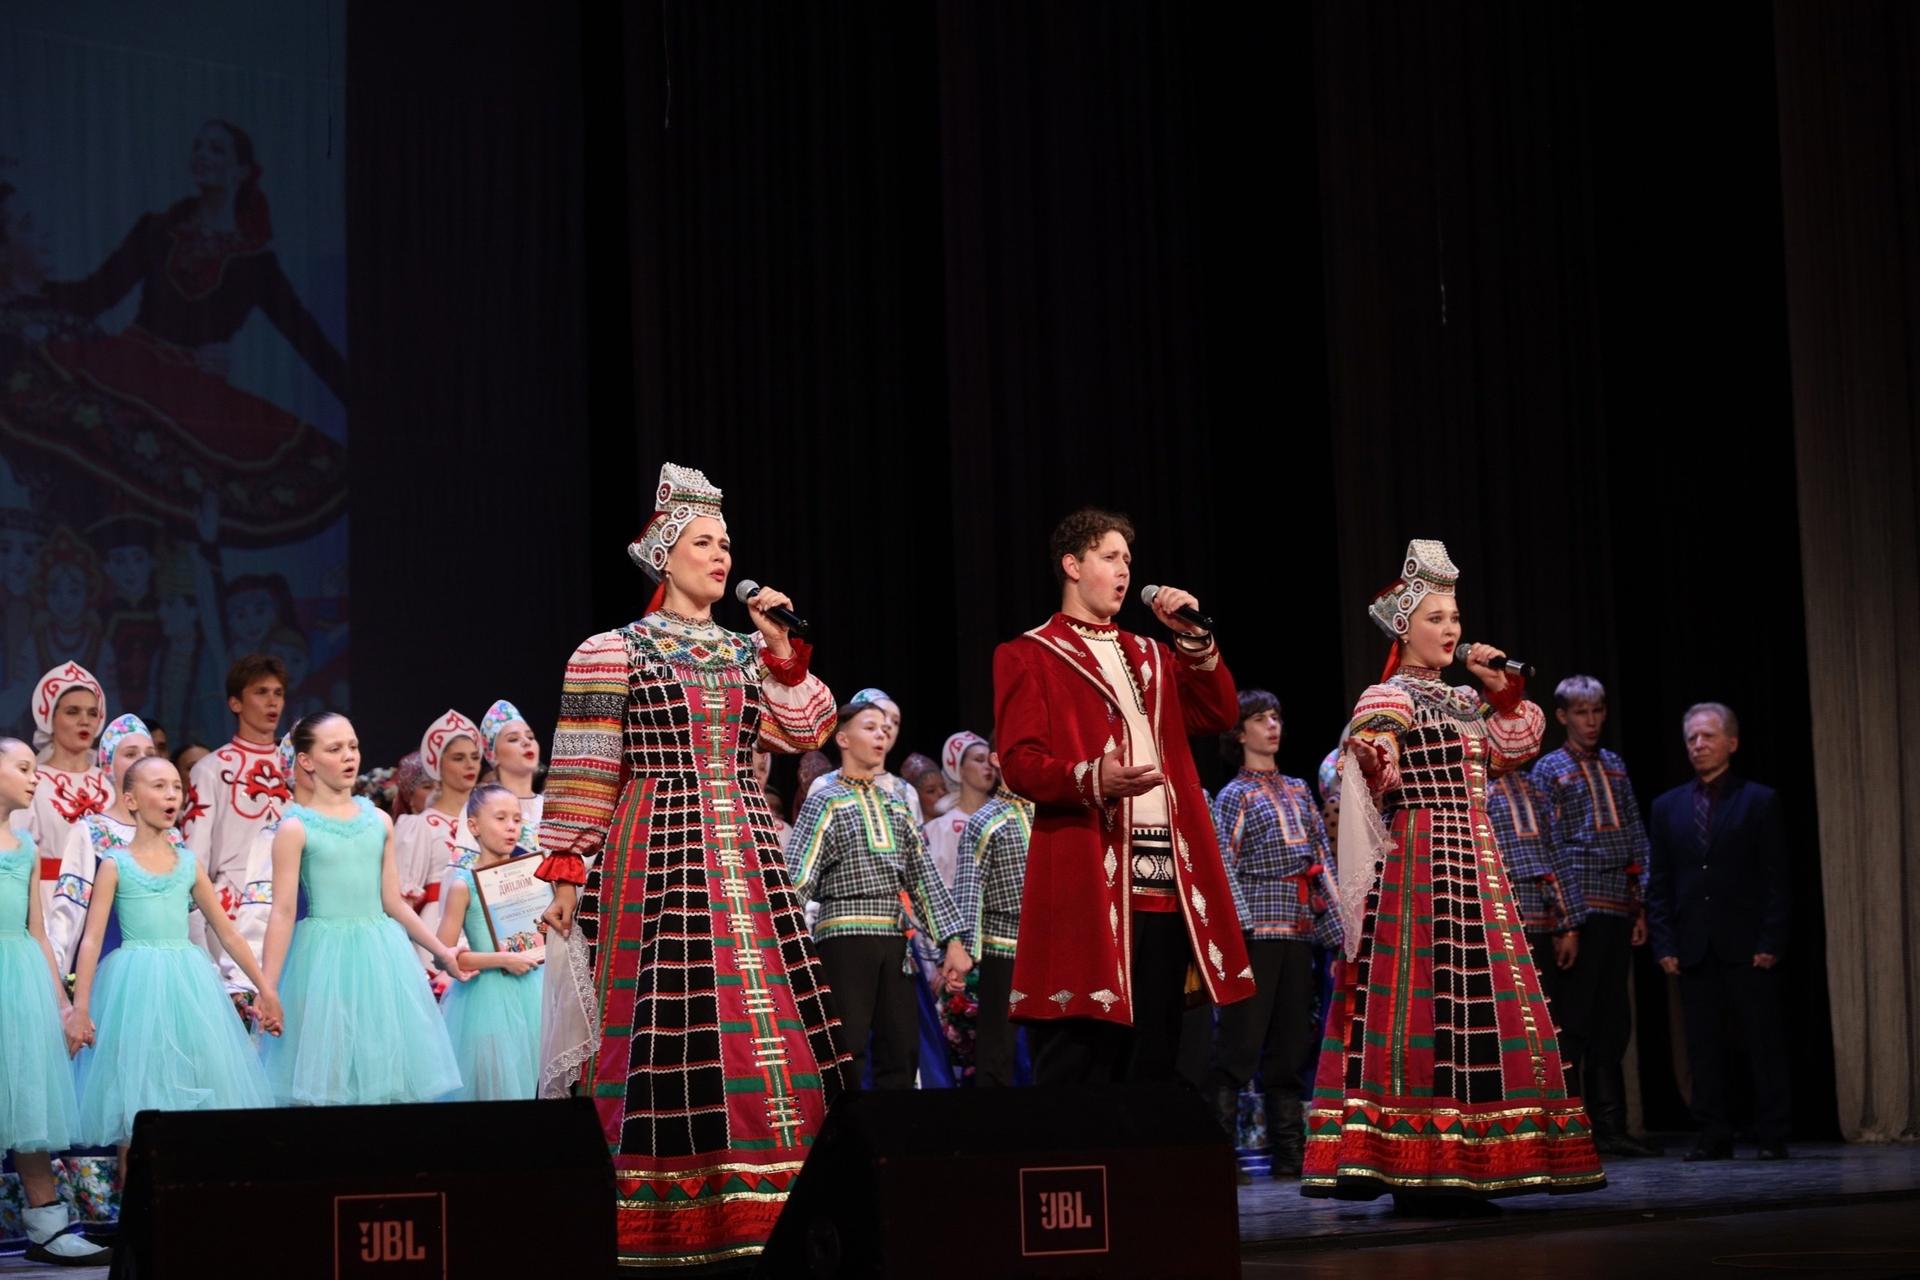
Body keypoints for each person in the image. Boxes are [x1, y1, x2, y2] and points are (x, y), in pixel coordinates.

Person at [533, 463, 851, 1269]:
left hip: (744, 841)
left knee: (768, 1010)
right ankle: (678, 1208)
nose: (721, 555)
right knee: (673, 1014)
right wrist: (569, 873)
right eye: (705, 542)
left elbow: (811, 725)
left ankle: (783, 1197)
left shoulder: (748, 652)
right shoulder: (613, 652)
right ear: (664, 555)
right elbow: (584, 769)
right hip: (658, 845)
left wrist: (781, 645)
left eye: (726, 543)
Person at [1303, 539, 1604, 1207]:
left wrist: (1504, 688)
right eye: (1436, 617)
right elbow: (1369, 754)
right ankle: (1416, 1162)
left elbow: (1517, 745)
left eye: (1455, 618)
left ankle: (1473, 1161)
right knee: (1426, 1004)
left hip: (1476, 859)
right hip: (1419, 864)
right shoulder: (1390, 694)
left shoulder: (1467, 701)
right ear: (1406, 626)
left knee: (1483, 1009)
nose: (1451, 630)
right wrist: (1376, 753)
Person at [992, 508, 1253, 1086]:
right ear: (1071, 564)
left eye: (1128, 561)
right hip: (1090, 872)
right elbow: (1020, 764)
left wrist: (1195, 641)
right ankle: (1074, 1173)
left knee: (1153, 1058)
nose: (1124, 571)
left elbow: (1218, 712)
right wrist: (1092, 779)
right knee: (1082, 1052)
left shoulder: (1153, 654)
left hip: (1164, 883)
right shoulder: (1029, 653)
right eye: (1110, 557)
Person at [66, 755, 281, 1153]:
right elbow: (91, 939)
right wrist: (80, 1008)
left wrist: (265, 989)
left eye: (176, 787)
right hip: (135, 988)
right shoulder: (115, 865)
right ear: (130, 800)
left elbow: (229, 933)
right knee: (138, 1100)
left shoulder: (188, 865)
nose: (171, 795)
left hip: (188, 986)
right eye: (158, 786)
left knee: (193, 1093)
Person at [258, 713, 468, 1106]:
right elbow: (282, 912)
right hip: (323, 959)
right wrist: (268, 987)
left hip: (379, 956)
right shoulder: (295, 828)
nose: (348, 756)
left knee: (384, 1072)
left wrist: (441, 951)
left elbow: (392, 901)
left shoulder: (378, 821)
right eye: (334, 749)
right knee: (332, 1074)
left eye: (352, 746)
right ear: (306, 761)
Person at [789, 698, 972, 1090]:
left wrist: (952, 940)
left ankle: (893, 1145)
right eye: (870, 726)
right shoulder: (826, 799)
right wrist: (784, 942)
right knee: (848, 1048)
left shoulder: (895, 803)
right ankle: (843, 1141)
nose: (881, 733)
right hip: (844, 938)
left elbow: (924, 877)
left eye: (885, 728)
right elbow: (798, 876)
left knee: (902, 1050)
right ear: (843, 738)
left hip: (894, 940)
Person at [1647, 702, 1791, 1161]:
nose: (1698, 745)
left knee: (1760, 1042)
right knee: (1702, 1047)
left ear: (1731, 742)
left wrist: (1770, 941)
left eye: (1707, 736)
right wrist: (1664, 942)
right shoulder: (1667, 807)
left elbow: (1777, 880)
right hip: (1694, 945)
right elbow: (1661, 882)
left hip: (1747, 944)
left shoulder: (1759, 801)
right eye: (1691, 738)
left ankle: (1771, 1132)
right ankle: (1714, 1133)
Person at [1208, 690, 1342, 1178]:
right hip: (1256, 930)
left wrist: (1337, 932)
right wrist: (1237, 927)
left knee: (1291, 1047)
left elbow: (1321, 861)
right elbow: (1224, 863)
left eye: (1277, 716)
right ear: (1240, 733)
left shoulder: (1300, 788)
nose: (1272, 725)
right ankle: (1218, 1156)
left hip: (1298, 927)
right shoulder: (1234, 795)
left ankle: (1290, 1155)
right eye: (1261, 718)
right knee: (1241, 1045)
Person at [1531, 674, 1658, 1157]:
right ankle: (1572, 1126)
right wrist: (1566, 918)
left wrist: (1639, 899)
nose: (1591, 721)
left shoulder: (1616, 767)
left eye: (1598, 711)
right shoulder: (1550, 770)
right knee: (1575, 1018)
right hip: (1580, 904)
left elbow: (1635, 834)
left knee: (1613, 1019)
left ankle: (1611, 1124)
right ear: (1562, 717)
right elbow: (1552, 844)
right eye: (1581, 712)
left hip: (1617, 905)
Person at [0, 736, 112, 1266]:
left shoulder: (21, 848)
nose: (34, 776)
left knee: (26, 1100)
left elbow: (39, 933)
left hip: (18, 977)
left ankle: (46, 1225)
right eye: (23, 768)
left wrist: (60, 1005)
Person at [180, 654, 290, 972]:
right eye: (260, 692)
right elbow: (195, 857)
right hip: (233, 908)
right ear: (235, 703)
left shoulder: (299, 768)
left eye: (278, 693)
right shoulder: (211, 769)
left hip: (293, 903)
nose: (272, 702)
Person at [437, 784, 542, 1100]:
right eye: (500, 818)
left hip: (535, 992)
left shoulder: (533, 876)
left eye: (516, 819)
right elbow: (445, 956)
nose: (511, 827)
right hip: (488, 1001)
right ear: (474, 826)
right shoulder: (463, 885)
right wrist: (503, 960)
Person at [46, 714, 159, 974]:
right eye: (130, 753)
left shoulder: (171, 835)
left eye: (149, 752)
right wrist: (56, 984)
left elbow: (189, 913)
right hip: (110, 968)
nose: (142, 759)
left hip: (165, 968)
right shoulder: (92, 831)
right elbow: (68, 910)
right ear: (108, 765)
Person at [953, 750, 1033, 1087]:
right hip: (1005, 949)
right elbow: (969, 890)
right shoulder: (987, 820)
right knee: (997, 1050)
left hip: (1053, 950)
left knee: (1056, 1046)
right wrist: (964, 950)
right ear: (998, 759)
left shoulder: (1053, 815)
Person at [18, 663, 111, 918]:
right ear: (51, 718)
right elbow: (16, 854)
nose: (85, 721)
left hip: (107, 903)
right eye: (73, 712)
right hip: (49, 901)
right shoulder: (33, 780)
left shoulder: (110, 783)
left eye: (92, 713)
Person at [805, 688, 926, 823]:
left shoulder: (906, 793)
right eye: (872, 724)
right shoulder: (825, 787)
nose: (888, 725)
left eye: (895, 721)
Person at [923, 731, 992, 890]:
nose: (987, 766)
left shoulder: (1005, 819)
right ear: (959, 769)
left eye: (990, 761)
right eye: (979, 760)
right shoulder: (939, 829)